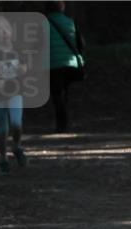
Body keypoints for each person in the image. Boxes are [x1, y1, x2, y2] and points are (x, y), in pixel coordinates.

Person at [0, 16, 27, 175]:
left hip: (15, 92)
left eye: (5, 29)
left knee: (16, 123)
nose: (3, 32)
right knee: (2, 129)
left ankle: (17, 146)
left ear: (11, 31)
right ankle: (2, 158)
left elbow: (24, 67)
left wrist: (22, 70)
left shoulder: (18, 49)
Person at [45, 1, 84, 133]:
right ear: (61, 7)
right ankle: (64, 122)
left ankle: (61, 123)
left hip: (53, 63)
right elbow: (81, 43)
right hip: (70, 63)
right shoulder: (70, 22)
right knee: (64, 92)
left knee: (57, 94)